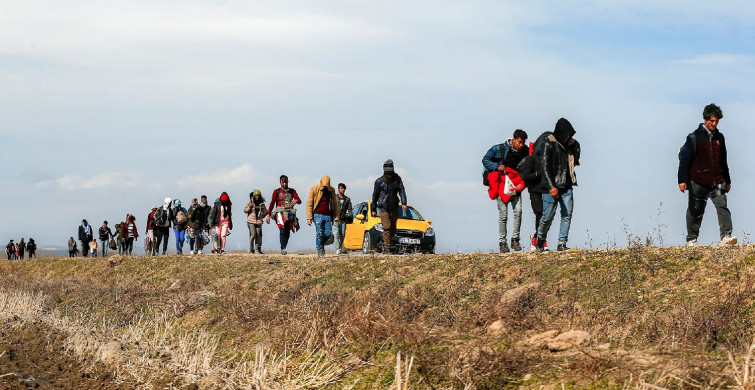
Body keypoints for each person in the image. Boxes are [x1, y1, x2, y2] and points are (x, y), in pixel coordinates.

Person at [678, 103, 736, 246]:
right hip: (697, 181)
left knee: (722, 207)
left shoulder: (720, 138)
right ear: (705, 119)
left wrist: (727, 181)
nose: (714, 124)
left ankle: (726, 237)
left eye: (716, 121)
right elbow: (685, 160)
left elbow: (723, 161)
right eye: (712, 120)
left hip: (717, 180)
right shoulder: (694, 137)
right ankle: (691, 239)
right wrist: (682, 180)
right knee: (695, 211)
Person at [535, 118, 581, 252]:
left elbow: (575, 161)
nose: (568, 137)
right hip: (550, 187)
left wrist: (575, 148)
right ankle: (540, 240)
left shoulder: (571, 144)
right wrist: (551, 187)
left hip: (566, 186)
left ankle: (562, 243)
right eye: (566, 134)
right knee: (547, 217)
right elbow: (545, 167)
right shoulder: (548, 144)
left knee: (567, 214)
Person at [482, 129, 530, 252]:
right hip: (501, 186)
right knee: (503, 215)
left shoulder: (525, 151)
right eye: (520, 142)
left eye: (523, 142)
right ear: (513, 139)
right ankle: (502, 243)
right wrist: (496, 167)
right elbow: (485, 159)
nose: (521, 145)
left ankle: (515, 240)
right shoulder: (498, 149)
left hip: (515, 186)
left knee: (518, 212)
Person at [518, 143, 549, 252]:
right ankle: (539, 239)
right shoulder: (530, 159)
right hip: (534, 190)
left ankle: (537, 236)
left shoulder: (547, 159)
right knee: (539, 213)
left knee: (547, 216)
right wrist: (541, 173)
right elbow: (526, 176)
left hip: (547, 191)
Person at [371, 159, 407, 254]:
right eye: (388, 174)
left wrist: (404, 203)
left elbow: (402, 191)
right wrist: (373, 209)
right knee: (387, 227)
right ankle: (387, 247)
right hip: (383, 207)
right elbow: (375, 195)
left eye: (390, 174)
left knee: (393, 228)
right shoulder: (379, 181)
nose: (389, 176)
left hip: (394, 206)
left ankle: (388, 242)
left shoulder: (397, 179)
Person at [267, 175, 302, 255]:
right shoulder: (277, 191)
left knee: (287, 230)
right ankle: (283, 248)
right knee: (282, 229)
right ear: (280, 182)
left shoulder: (292, 191)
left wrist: (296, 200)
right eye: (283, 182)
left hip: (289, 212)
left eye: (286, 182)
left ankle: (284, 246)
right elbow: (272, 203)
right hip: (280, 212)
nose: (284, 184)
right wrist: (269, 215)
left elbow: (299, 201)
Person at [306, 176, 340, 258]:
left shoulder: (331, 190)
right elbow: (309, 204)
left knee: (328, 234)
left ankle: (320, 244)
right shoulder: (314, 189)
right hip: (317, 215)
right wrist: (309, 217)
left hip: (327, 215)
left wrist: (336, 216)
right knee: (319, 233)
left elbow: (335, 205)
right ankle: (320, 249)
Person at [244, 190, 267, 254]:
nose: (257, 197)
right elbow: (245, 210)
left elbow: (265, 212)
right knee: (253, 234)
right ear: (254, 196)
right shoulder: (250, 202)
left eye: (258, 195)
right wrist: (249, 207)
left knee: (258, 235)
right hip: (251, 221)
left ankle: (257, 249)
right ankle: (251, 247)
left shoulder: (262, 203)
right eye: (256, 195)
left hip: (259, 221)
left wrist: (262, 216)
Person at [333, 183, 353, 255]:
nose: (342, 190)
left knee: (342, 234)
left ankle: (341, 248)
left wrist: (350, 217)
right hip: (335, 218)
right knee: (336, 234)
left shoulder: (347, 199)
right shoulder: (334, 197)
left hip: (343, 219)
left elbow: (350, 209)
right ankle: (337, 249)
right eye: (341, 188)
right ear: (338, 189)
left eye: (343, 188)